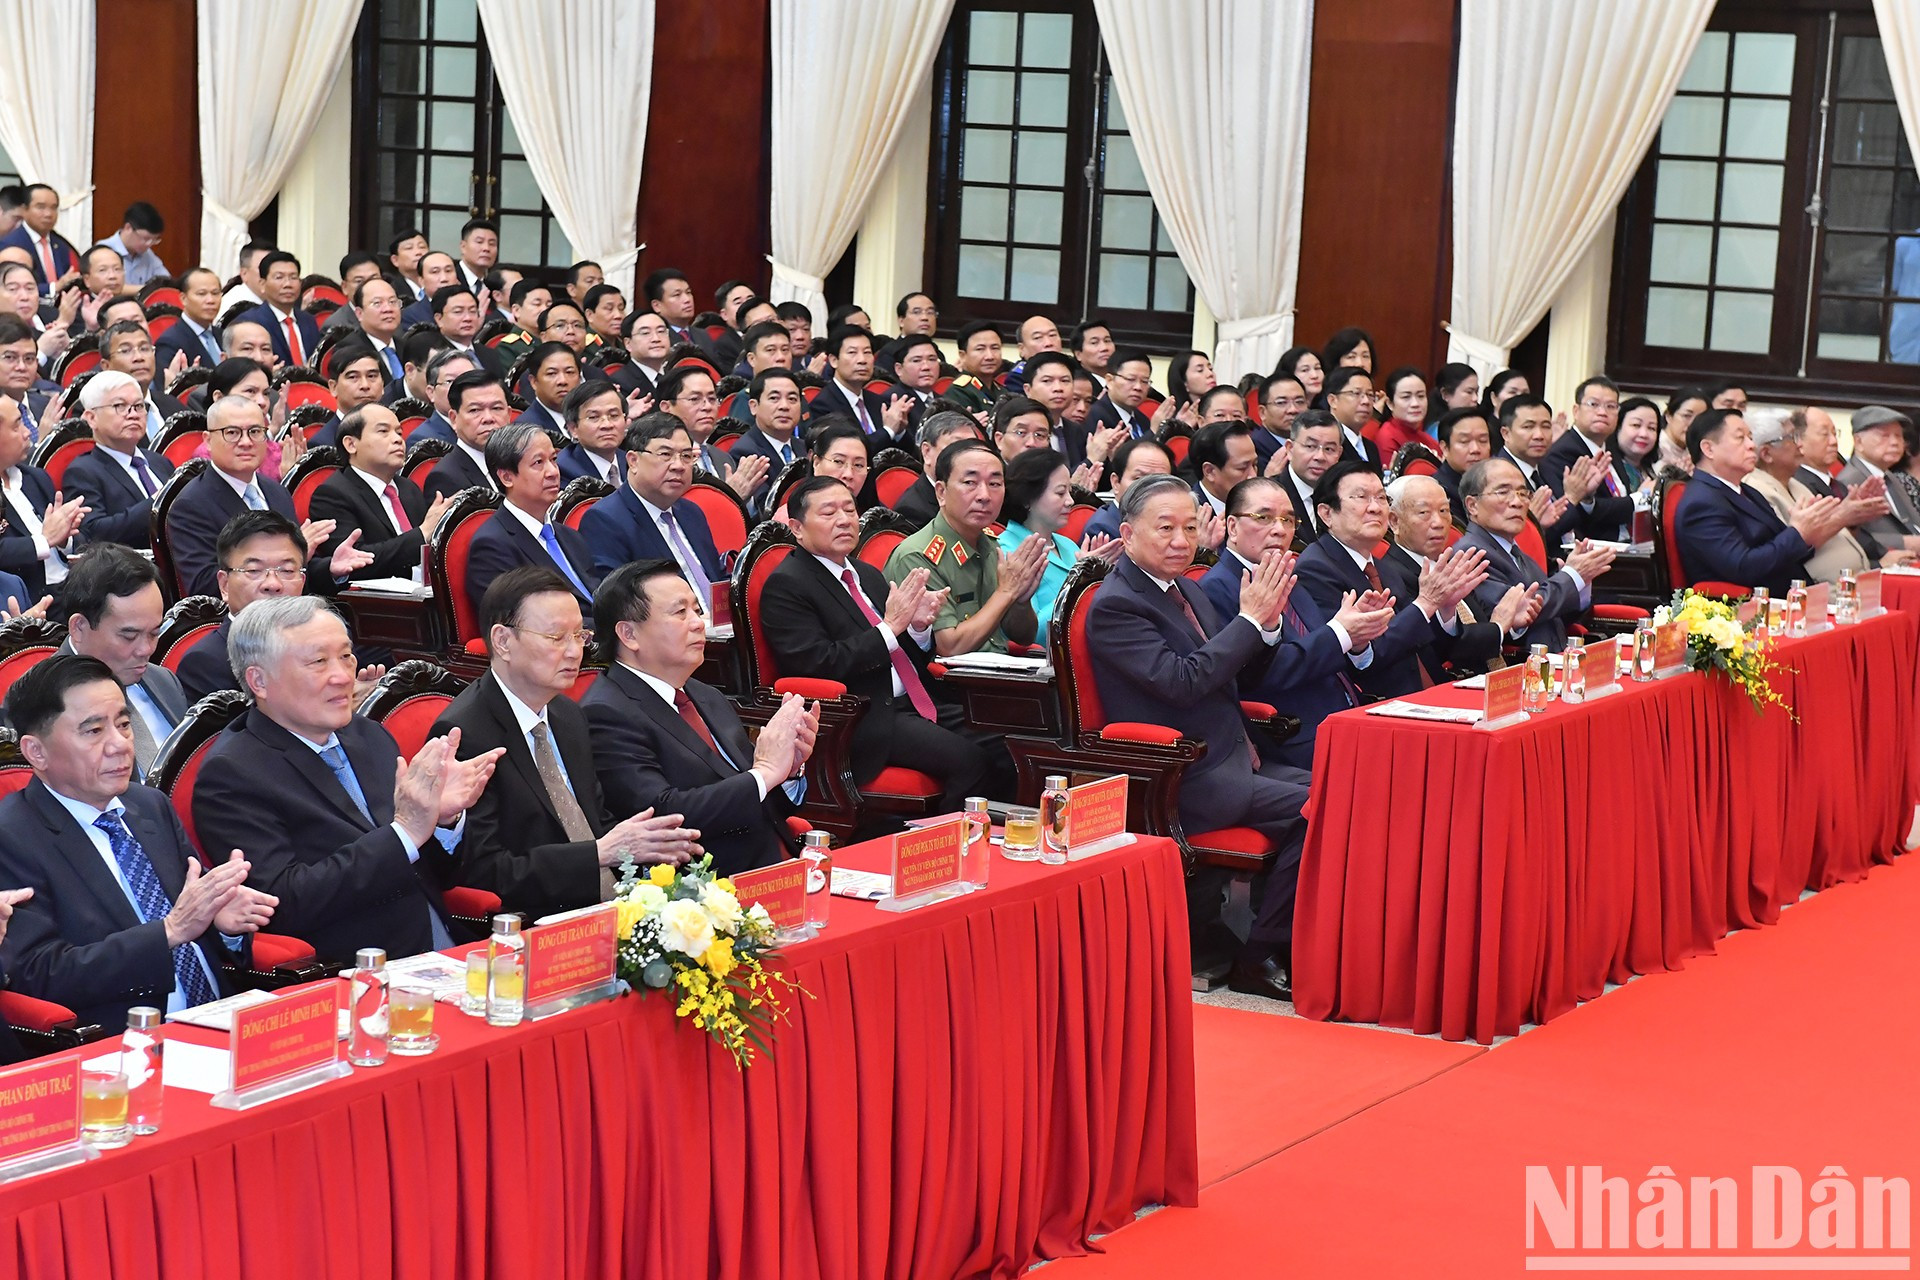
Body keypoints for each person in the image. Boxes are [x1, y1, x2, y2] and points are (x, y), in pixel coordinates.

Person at [1089, 473, 1310, 999]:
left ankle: (1311, 941)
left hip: (1235, 753)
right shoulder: (1118, 605)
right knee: (1319, 809)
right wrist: (1248, 621)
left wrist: (1266, 626)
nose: (1180, 541)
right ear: (1128, 533)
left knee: (1348, 789)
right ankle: (1261, 956)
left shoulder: (1186, 587)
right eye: (1165, 528)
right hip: (1186, 774)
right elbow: (1182, 682)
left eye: (1190, 528)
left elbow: (1235, 677)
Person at [194, 596, 501, 959]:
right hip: (358, 966)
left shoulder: (368, 736)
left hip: (443, 944)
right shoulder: (232, 774)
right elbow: (284, 902)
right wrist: (405, 832)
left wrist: (443, 822)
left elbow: (435, 875)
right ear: (259, 681)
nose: (342, 677)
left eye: (346, 656)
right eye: (318, 662)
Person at [0, 655, 276, 1033]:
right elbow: (41, 974)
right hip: (123, 1038)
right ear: (37, 752)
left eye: (124, 724)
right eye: (93, 731)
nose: (120, 745)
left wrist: (223, 925)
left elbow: (195, 920)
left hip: (220, 1017)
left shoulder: (148, 805)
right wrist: (169, 932)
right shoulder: (13, 837)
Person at [431, 567, 702, 915]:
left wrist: (647, 846)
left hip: (609, 903)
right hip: (536, 918)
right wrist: (599, 852)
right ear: (503, 641)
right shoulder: (465, 733)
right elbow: (486, 869)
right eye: (557, 637)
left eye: (579, 636)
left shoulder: (568, 715)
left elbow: (594, 822)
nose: (575, 652)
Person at [761, 477, 996, 811]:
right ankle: (943, 841)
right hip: (865, 715)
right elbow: (818, 663)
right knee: (970, 761)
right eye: (829, 513)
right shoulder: (787, 584)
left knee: (1006, 745)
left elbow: (902, 653)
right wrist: (891, 627)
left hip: (917, 700)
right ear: (797, 528)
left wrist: (916, 628)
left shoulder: (866, 574)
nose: (844, 520)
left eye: (849, 509)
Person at [583, 561, 816, 873]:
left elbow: (756, 799)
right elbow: (663, 817)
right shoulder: (606, 713)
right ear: (629, 634)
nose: (698, 623)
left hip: (775, 864)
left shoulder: (706, 695)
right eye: (680, 613)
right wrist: (765, 772)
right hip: (706, 884)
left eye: (697, 609)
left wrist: (788, 772)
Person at [1197, 475, 1389, 765]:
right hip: (1293, 733)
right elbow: (1262, 674)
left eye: (1288, 520)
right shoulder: (1217, 587)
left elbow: (1324, 651)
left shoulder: (1288, 576)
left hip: (1348, 715)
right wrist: (1340, 633)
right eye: (1264, 517)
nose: (1279, 530)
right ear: (1232, 527)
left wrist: (1358, 642)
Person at [1292, 460, 1488, 697]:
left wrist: (1445, 611)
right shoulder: (1315, 569)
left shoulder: (1383, 568)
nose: (1375, 508)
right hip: (1379, 702)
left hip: (1429, 692)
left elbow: (1423, 644)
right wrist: (1426, 604)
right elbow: (1359, 661)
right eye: (1361, 497)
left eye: (1381, 498)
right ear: (1327, 513)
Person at [167, 396, 369, 599]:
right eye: (232, 433)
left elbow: (296, 573)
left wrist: (330, 568)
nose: (246, 442)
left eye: (255, 432)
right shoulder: (191, 504)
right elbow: (204, 585)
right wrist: (287, 558)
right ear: (208, 440)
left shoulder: (276, 491)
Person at [883, 440, 1045, 656]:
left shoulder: (991, 545)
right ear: (941, 492)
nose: (984, 495)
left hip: (998, 668)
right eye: (970, 482)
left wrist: (1021, 601)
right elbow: (949, 647)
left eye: (995, 484)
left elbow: (1023, 637)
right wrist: (1006, 592)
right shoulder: (918, 557)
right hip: (948, 676)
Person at [1381, 474, 1538, 681]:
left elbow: (1479, 625)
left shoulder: (1453, 564)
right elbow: (1445, 646)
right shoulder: (1390, 575)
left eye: (1444, 511)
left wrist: (1512, 623)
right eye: (1424, 512)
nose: (1438, 522)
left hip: (1492, 681)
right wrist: (1498, 627)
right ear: (1394, 521)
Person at [1673, 409, 1843, 596]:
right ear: (1709, 449)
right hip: (1749, 606)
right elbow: (1742, 568)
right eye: (1740, 438)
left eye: (1751, 437)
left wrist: (1808, 533)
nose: (1751, 445)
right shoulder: (1701, 503)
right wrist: (1797, 533)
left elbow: (1781, 547)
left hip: (1789, 594)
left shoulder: (1747, 491)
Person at [50, 546, 187, 775]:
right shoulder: (44, 703)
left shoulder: (164, 681)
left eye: (154, 633)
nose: (146, 649)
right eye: (129, 636)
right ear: (79, 627)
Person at [1456, 459, 1615, 651]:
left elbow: (1554, 615)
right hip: (1521, 664)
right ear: (1472, 505)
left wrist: (1583, 581)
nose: (1517, 502)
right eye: (1503, 492)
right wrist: (1572, 576)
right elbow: (1516, 613)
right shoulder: (1470, 553)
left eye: (1523, 493)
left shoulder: (1517, 553)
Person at [579, 413, 726, 606]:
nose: (678, 466)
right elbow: (620, 604)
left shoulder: (691, 512)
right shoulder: (605, 520)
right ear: (633, 461)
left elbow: (717, 578)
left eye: (686, 456)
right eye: (665, 454)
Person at [1746, 409, 1900, 583]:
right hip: (1814, 589)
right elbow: (1790, 547)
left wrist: (1854, 515)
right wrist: (1843, 516)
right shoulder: (1757, 490)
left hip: (1853, 581)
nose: (1800, 445)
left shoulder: (1796, 485)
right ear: (1767, 454)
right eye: (1792, 437)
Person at [465, 422, 598, 611]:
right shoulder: (492, 546)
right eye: (538, 463)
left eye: (553, 459)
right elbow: (517, 619)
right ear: (507, 477)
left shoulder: (570, 536)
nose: (553, 472)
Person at [309, 404, 446, 581]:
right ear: (351, 444)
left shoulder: (408, 488)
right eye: (383, 431)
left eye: (399, 432)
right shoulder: (332, 495)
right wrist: (421, 534)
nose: (398, 440)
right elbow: (352, 560)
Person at [998, 447, 1120, 631]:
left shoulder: (1067, 545)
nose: (1070, 501)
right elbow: (1030, 633)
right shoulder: (1007, 550)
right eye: (1060, 493)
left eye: (1070, 492)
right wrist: (1079, 581)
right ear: (1027, 499)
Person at [64, 371, 177, 549]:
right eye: (120, 406)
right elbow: (94, 533)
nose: (133, 414)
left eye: (138, 406)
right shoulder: (83, 472)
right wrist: (159, 501)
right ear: (92, 418)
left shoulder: (159, 462)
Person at [0, 392, 82, 603]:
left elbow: (75, 542)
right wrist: (44, 540)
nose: (28, 432)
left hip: (73, 589)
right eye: (17, 426)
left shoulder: (35, 477)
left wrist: (64, 538)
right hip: (27, 601)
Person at [1540, 375, 1640, 543]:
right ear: (1576, 411)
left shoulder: (1609, 446)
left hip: (1627, 545)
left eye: (1611, 406)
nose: (1602, 412)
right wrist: (1637, 500)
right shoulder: (1561, 454)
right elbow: (1576, 514)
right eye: (1593, 404)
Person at [1494, 394, 1583, 551]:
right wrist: (1571, 498)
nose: (1539, 436)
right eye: (1528, 427)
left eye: (1546, 426)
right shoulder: (1496, 476)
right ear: (1506, 433)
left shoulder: (1546, 467)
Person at [1837, 405, 1920, 551]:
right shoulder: (1849, 481)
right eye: (1885, 436)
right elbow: (1849, 536)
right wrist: (1906, 542)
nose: (1895, 442)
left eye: (1898, 436)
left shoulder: (1890, 476)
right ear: (1858, 442)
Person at [725, 367, 805, 515]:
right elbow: (765, 510)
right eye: (774, 398)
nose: (784, 406)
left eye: (792, 399)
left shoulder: (803, 446)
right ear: (754, 406)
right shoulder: (746, 453)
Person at [423, 369, 509, 502]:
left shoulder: (522, 461)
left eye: (496, 408)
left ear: (509, 414)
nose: (488, 418)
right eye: (475, 410)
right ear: (454, 419)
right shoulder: (445, 478)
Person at [894, 410, 981, 529]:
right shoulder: (912, 511)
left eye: (972, 448)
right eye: (956, 448)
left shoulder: (982, 494)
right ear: (927, 452)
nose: (967, 457)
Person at [1082, 436, 1175, 543]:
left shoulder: (1173, 522)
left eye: (1161, 481)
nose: (1150, 488)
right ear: (1116, 482)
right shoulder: (1102, 530)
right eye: (1138, 479)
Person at [237, 251, 321, 368]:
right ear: (262, 284)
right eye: (279, 277)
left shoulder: (308, 320)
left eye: (293, 277)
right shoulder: (250, 323)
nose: (287, 284)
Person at [0, 185, 77, 297]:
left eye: (53, 208)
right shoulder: (9, 244)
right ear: (24, 210)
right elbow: (8, 286)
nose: (48, 214)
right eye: (41, 207)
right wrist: (53, 287)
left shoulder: (61, 245)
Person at [1280, 411, 1345, 540]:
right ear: (1290, 449)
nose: (1320, 457)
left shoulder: (1343, 494)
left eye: (1329, 449)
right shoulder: (1271, 494)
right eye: (1310, 446)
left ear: (1339, 453)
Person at [1190, 420, 1260, 532]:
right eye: (1242, 468)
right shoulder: (1190, 517)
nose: (1253, 475)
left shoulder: (1261, 504)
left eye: (1255, 465)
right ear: (1210, 471)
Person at [154, 267, 225, 370]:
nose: (210, 300)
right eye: (202, 294)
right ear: (183, 299)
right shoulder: (170, 342)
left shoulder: (223, 335)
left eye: (215, 293)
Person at [1433, 405, 1493, 525]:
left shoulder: (1494, 481)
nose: (1475, 449)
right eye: (1464, 441)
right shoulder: (1438, 492)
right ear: (1445, 448)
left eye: (1483, 441)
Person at [1374, 366, 1439, 458]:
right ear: (1390, 404)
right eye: (1406, 397)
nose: (1415, 404)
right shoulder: (1387, 437)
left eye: (1420, 396)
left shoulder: (1428, 439)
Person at [1324, 366, 1383, 466]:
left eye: (1370, 394)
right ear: (1333, 400)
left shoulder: (1371, 447)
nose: (1366, 401)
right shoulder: (1327, 443)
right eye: (1356, 393)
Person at [943, 320, 1004, 414]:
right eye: (980, 349)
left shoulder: (1003, 390)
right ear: (963, 355)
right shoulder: (958, 392)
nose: (990, 356)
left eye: (995, 348)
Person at [1255, 371, 1309, 464]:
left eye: (1299, 402)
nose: (1293, 410)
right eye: (1281, 403)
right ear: (1262, 412)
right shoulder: (1255, 449)